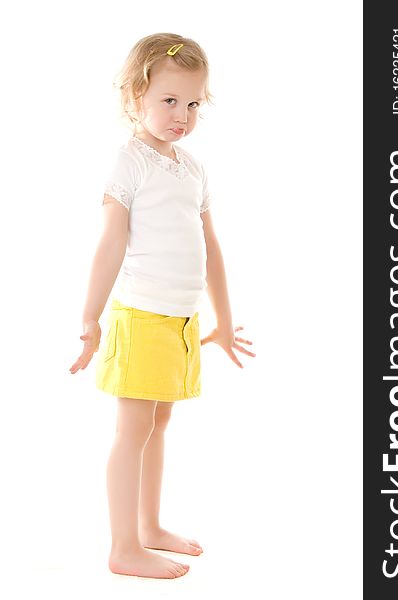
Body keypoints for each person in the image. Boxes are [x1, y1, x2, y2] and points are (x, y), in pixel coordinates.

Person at [69, 33, 256, 580]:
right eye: (169, 101)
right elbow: (111, 243)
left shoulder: (191, 167)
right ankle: (124, 546)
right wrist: (90, 317)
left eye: (193, 103)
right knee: (134, 429)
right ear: (135, 96)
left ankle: (149, 527)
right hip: (141, 316)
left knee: (160, 422)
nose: (183, 114)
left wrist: (221, 320)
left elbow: (210, 246)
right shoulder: (128, 163)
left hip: (180, 320)